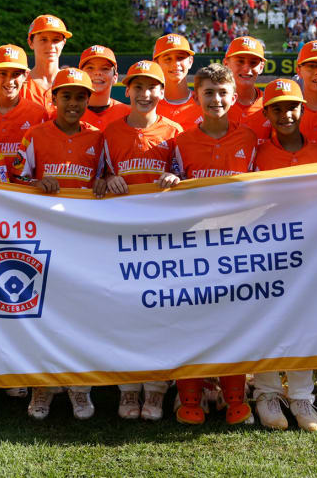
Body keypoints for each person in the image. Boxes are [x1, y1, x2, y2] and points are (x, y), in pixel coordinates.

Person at [168, 63, 257, 426]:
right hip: (194, 245)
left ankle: (234, 396)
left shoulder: (250, 139)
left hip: (235, 244)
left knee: (231, 319)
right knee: (192, 317)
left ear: (233, 97)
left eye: (223, 93)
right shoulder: (182, 141)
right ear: (197, 96)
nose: (216, 99)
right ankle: (189, 396)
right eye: (209, 93)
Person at [15, 67, 104, 420]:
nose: (73, 102)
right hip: (44, 237)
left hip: (83, 239)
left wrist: (106, 182)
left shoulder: (98, 137)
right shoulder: (35, 135)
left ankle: (79, 388)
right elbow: (15, 181)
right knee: (45, 314)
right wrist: (36, 184)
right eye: (65, 95)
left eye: (80, 96)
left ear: (88, 100)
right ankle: (42, 388)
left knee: (81, 314)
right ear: (53, 99)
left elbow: (108, 177)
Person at [249, 78, 317, 432]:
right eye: (277, 108)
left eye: (292, 107)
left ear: (303, 109)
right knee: (268, 315)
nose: (286, 114)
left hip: (309, 250)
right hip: (267, 249)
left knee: (305, 317)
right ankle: (267, 391)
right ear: (266, 113)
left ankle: (300, 394)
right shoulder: (258, 152)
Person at [100, 60, 182, 421]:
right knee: (125, 313)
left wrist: (174, 179)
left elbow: (188, 181)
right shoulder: (110, 133)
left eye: (153, 87)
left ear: (162, 92)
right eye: (139, 87)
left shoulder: (175, 132)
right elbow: (96, 180)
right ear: (127, 90)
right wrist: (105, 183)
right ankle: (129, 388)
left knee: (162, 313)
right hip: (122, 238)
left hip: (163, 240)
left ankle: (157, 388)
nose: (146, 94)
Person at [0, 44, 50, 184]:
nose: (9, 81)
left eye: (16, 74)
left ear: (26, 75)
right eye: (3, 73)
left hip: (24, 197)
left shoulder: (38, 114)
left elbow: (44, 161)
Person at [21, 14, 71, 115]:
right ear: (30, 42)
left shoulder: (72, 83)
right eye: (43, 39)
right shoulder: (20, 84)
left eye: (56, 40)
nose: (50, 45)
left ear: (63, 43)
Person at [152, 33, 202, 129]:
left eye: (180, 57)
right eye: (168, 59)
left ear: (190, 61)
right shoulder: (148, 106)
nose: (175, 64)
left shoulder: (205, 103)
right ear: (156, 64)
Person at [222, 36, 269, 138]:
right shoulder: (213, 104)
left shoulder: (270, 105)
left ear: (261, 67)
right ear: (226, 64)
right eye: (240, 61)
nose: (247, 68)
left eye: (253, 62)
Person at [78, 44, 130, 130]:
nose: (97, 73)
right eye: (90, 68)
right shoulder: (66, 114)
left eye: (105, 68)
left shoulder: (129, 115)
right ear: (80, 75)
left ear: (115, 77)